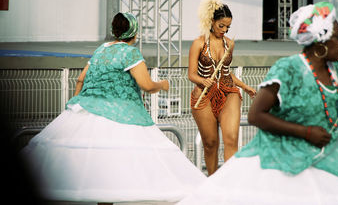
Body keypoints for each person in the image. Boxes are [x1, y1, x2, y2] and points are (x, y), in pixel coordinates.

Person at [178, 2, 338, 204]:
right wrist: (306, 132)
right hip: (286, 162)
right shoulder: (289, 69)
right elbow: (257, 116)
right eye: (336, 37)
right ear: (319, 42)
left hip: (326, 160)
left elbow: (337, 117)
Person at [21, 12, 206, 204]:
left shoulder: (101, 49)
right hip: (121, 114)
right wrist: (163, 85)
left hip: (87, 110)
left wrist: (78, 103)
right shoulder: (130, 53)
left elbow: (80, 79)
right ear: (134, 33)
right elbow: (147, 85)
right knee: (119, 169)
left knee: (96, 170)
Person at [188, 0, 256, 175]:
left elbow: (225, 72)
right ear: (211, 21)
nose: (225, 30)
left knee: (231, 138)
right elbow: (191, 74)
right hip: (204, 95)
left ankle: (229, 182)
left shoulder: (229, 44)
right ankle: (212, 182)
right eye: (221, 26)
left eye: (228, 27)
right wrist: (203, 80)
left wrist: (245, 86)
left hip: (228, 92)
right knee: (210, 143)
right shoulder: (198, 43)